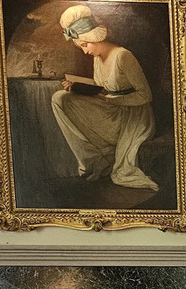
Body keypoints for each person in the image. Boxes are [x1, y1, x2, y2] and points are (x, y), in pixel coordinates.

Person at [51, 5, 158, 191]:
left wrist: (113, 100)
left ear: (95, 37)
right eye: (81, 47)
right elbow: (102, 88)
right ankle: (94, 159)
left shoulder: (123, 56)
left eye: (85, 45)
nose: (85, 51)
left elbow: (145, 95)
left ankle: (105, 160)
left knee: (63, 99)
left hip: (133, 115)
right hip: (111, 109)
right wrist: (77, 86)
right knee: (60, 98)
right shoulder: (97, 57)